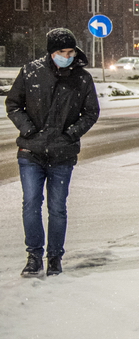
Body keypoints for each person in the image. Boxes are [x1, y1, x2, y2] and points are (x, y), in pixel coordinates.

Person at [7, 28, 100, 277]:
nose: (67, 56)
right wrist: (27, 129)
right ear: (51, 52)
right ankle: (34, 255)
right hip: (31, 152)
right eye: (62, 52)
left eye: (70, 52)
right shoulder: (31, 72)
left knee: (57, 207)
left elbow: (91, 112)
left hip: (62, 154)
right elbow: (13, 104)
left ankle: (55, 257)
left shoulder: (81, 78)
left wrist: (70, 134)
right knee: (31, 204)